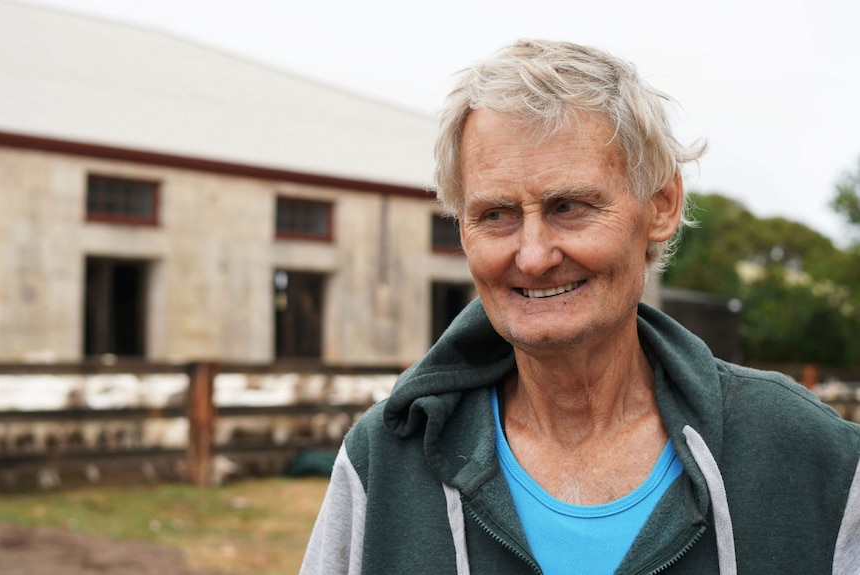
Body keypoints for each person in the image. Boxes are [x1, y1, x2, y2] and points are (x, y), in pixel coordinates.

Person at [300, 39, 860, 574]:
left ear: (661, 206)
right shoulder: (384, 464)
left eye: (569, 206)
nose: (535, 256)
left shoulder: (812, 461)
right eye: (496, 214)